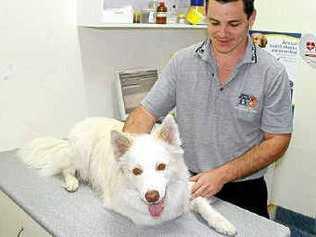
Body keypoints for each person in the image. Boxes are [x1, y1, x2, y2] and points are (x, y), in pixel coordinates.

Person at [123, 0, 292, 219]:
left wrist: (222, 174)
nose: (222, 33)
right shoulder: (182, 62)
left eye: (233, 24)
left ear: (251, 19)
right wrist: (129, 155)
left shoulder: (271, 72)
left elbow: (278, 140)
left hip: (244, 189)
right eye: (214, 22)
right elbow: (146, 112)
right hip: (189, 184)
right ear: (205, 14)